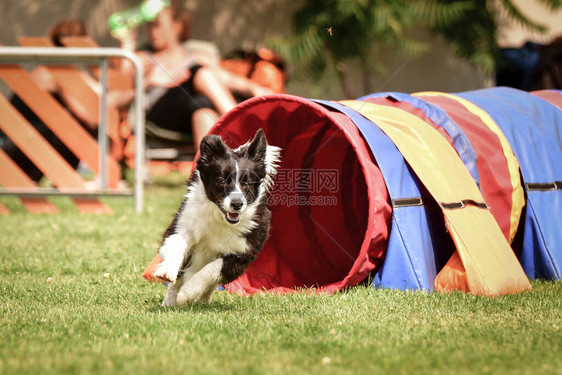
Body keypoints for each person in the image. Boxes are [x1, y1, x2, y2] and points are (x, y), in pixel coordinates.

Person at [114, 3, 273, 149]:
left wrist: (254, 88)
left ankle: (207, 173)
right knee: (201, 73)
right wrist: (129, 49)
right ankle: (244, 129)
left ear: (177, 26)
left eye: (159, 25)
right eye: (149, 26)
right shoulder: (143, 58)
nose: (153, 31)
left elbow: (226, 79)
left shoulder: (197, 56)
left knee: (203, 103)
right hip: (161, 115)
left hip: (191, 115)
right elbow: (120, 87)